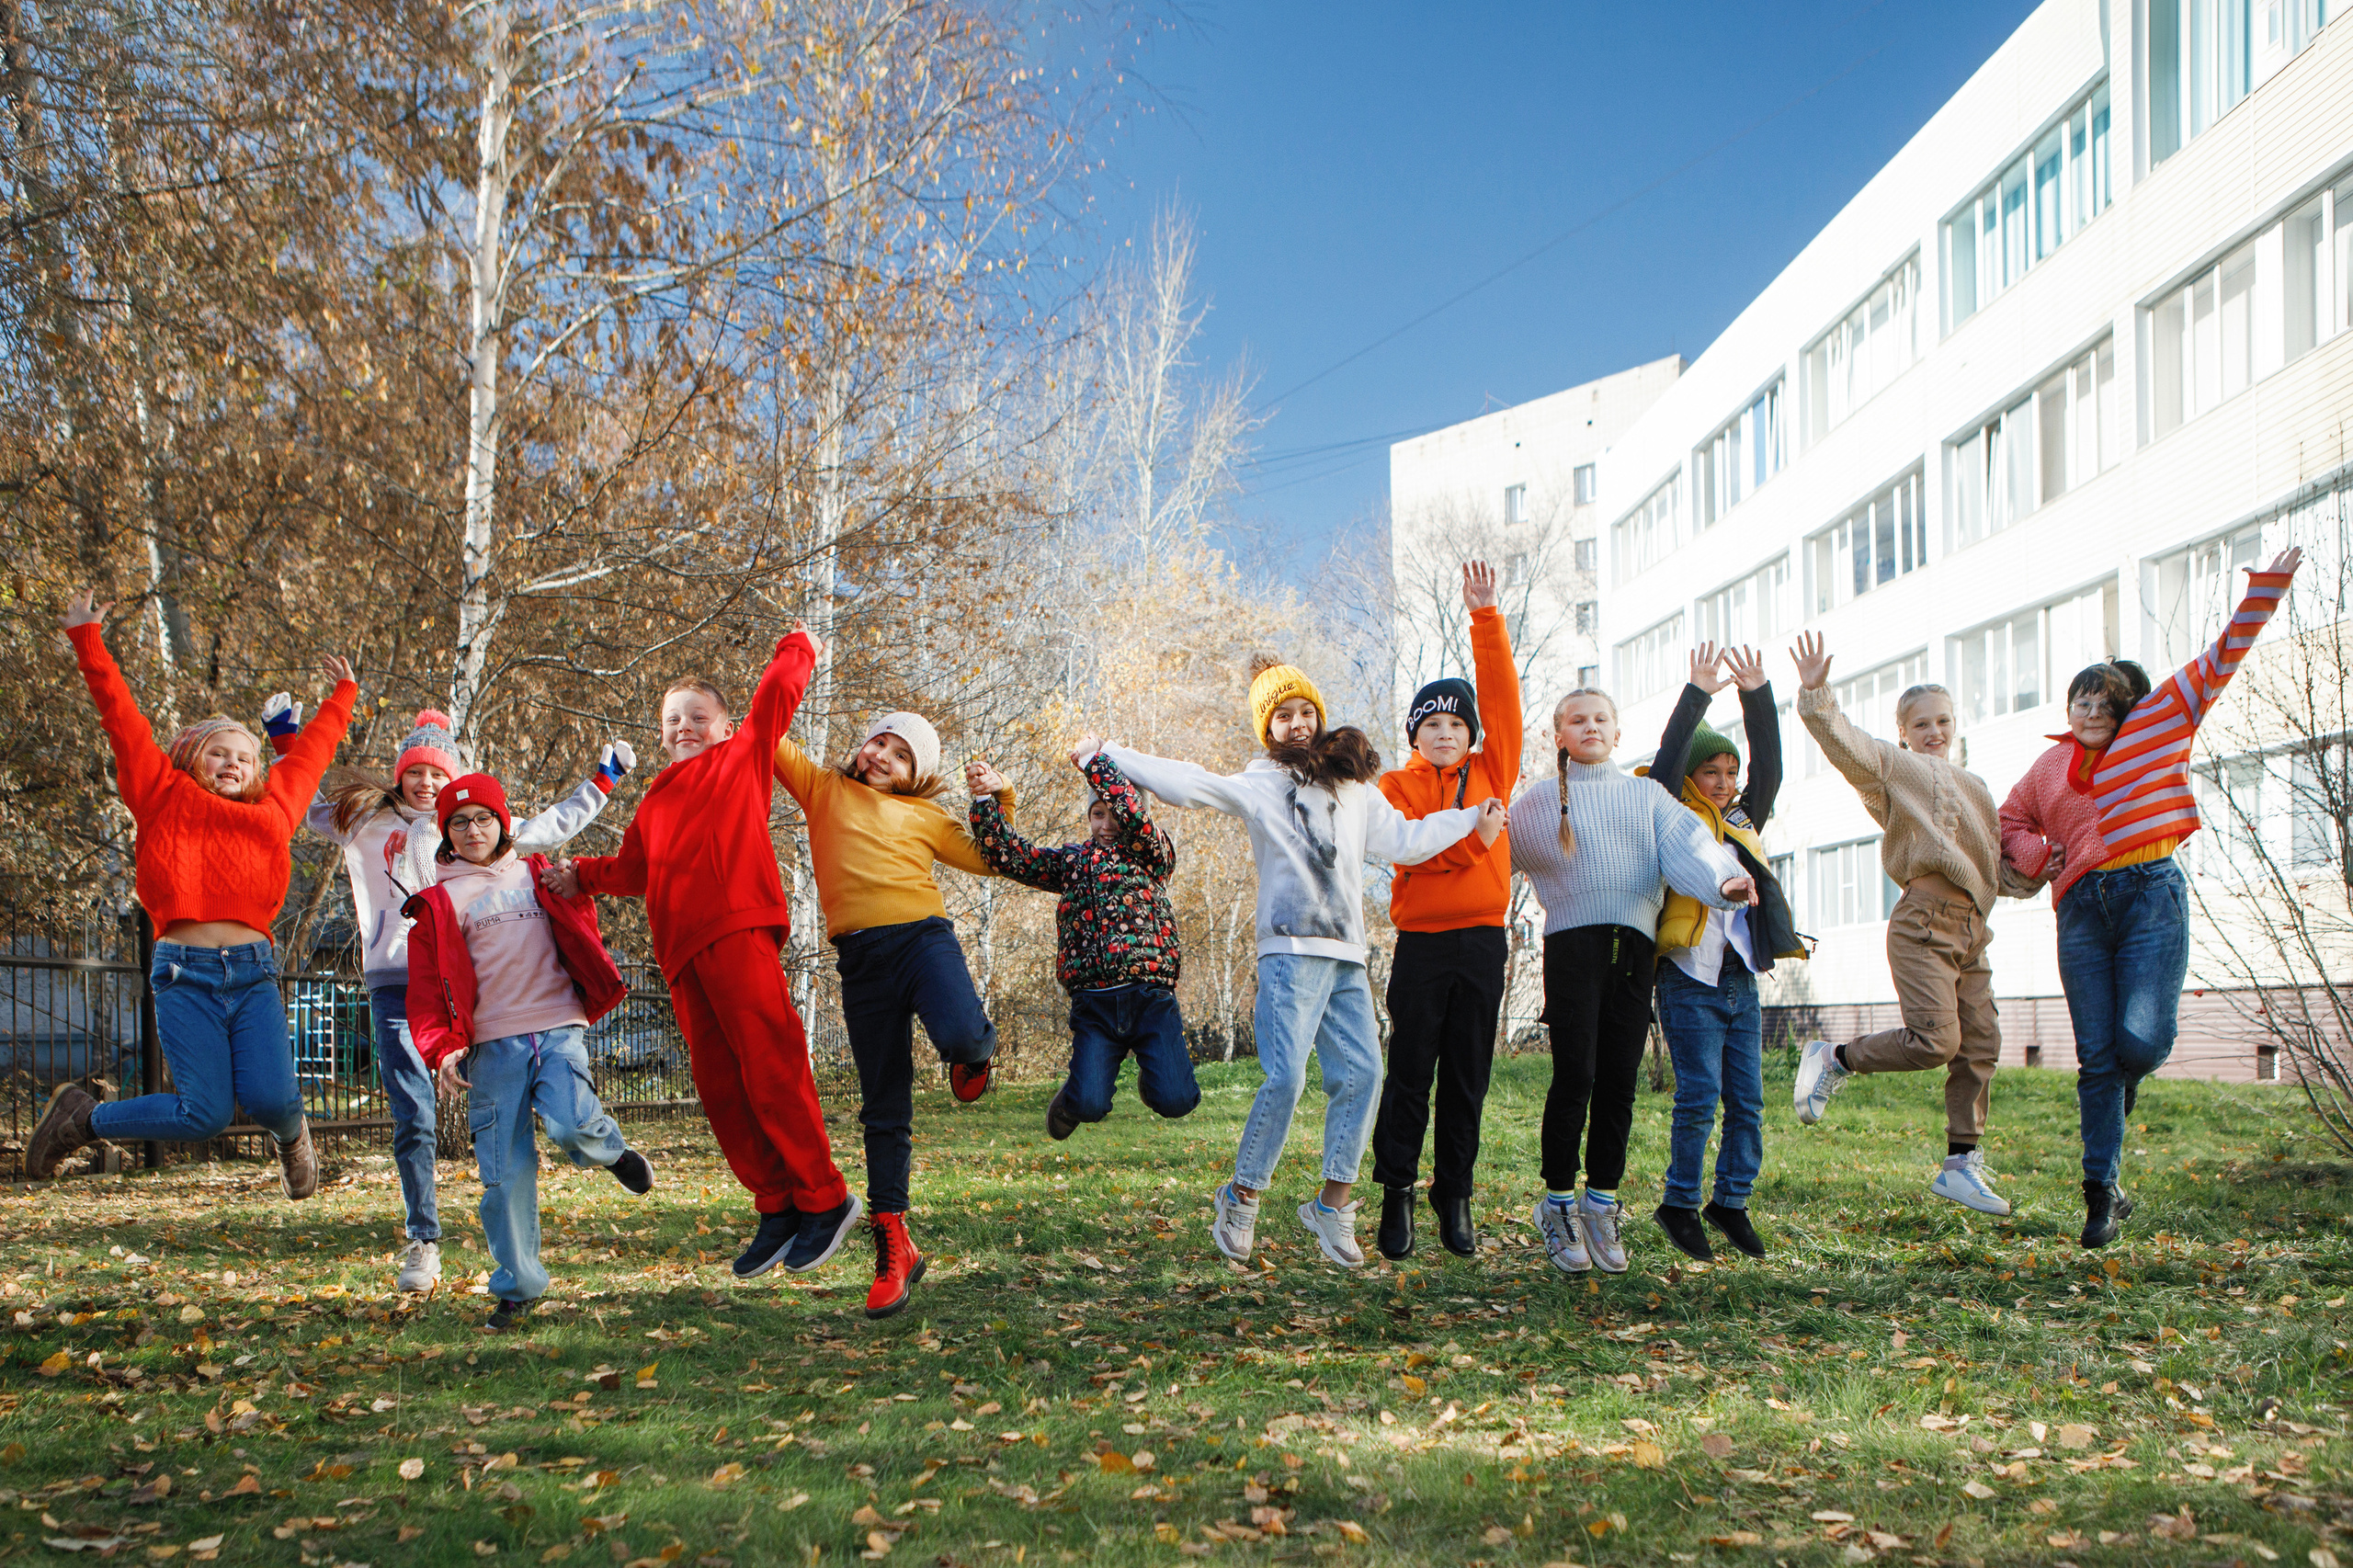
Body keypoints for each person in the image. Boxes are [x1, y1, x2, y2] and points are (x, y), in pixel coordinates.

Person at [1101, 658, 1504, 1270]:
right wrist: (1108, 753)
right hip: (1290, 951)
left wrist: (1473, 819)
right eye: (1282, 716)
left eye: (1306, 712)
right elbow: (1187, 782)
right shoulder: (1261, 783)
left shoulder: (1354, 788)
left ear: (1320, 718)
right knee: (1286, 1078)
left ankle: (1332, 1205)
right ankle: (1241, 1196)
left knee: (1365, 1076)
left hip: (1347, 957)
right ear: (1268, 728)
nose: (1296, 724)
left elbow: (1407, 839)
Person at [2001, 548, 2302, 1247]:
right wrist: (2038, 856)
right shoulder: (2048, 765)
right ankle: (2100, 1193)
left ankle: (2120, 1094)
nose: (2092, 708)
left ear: (2126, 708)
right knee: (2096, 1057)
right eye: (2082, 698)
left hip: (2150, 897)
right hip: (2080, 911)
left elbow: (2219, 659)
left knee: (2143, 1040)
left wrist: (2267, 590)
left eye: (2105, 700)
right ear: (2068, 706)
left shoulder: (2157, 730)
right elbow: (2011, 820)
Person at [543, 625, 858, 1286]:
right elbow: (633, 867)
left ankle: (824, 1197)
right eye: (671, 719)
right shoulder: (655, 800)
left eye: (696, 716)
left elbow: (776, 697)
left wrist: (798, 646)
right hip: (683, 957)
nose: (683, 725)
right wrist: (583, 877)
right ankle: (776, 1205)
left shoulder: (741, 757)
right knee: (720, 1089)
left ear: (724, 727)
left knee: (769, 1066)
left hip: (738, 930)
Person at [29, 591, 356, 1195]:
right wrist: (87, 641)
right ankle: (82, 1118)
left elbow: (312, 753)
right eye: (219, 753)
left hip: (253, 973)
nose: (233, 764)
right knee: (203, 1115)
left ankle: (292, 1135)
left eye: (244, 757)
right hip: (184, 974)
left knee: (275, 1099)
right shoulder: (160, 794)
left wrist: (342, 698)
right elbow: (122, 718)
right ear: (190, 757)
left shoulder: (273, 807)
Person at [294, 707, 630, 1294]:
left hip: (473, 991)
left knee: (533, 1123)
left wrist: (603, 781)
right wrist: (285, 744)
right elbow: (296, 801)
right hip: (397, 977)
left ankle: (571, 1176)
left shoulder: (481, 834)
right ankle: (425, 1240)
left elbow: (555, 824)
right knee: (415, 1115)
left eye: (436, 772)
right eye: (415, 771)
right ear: (399, 776)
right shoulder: (364, 823)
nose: (426, 783)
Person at [1509, 687, 1755, 1278]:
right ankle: (1559, 1204)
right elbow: (1491, 858)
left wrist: (1722, 881)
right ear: (1559, 735)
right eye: (1577, 720)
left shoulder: (1647, 797)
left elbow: (1690, 845)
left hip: (1634, 952)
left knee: (1620, 1081)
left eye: (1600, 719)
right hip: (1570, 951)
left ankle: (1602, 1204)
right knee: (1576, 1077)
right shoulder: (1537, 803)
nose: (1590, 727)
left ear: (1617, 734)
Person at [770, 705, 1005, 1319]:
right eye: (880, 742)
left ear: (914, 775)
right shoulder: (824, 788)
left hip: (923, 941)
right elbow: (766, 736)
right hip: (861, 962)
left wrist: (998, 796)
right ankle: (894, 1245)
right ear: (862, 742)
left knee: (960, 1035)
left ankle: (975, 1052)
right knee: (884, 1105)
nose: (883, 757)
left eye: (902, 756)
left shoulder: (926, 815)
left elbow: (990, 856)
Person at [404, 774, 652, 1331]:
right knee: (503, 1172)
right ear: (446, 832)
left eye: (484, 819)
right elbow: (425, 989)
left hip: (556, 1026)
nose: (473, 830)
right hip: (490, 1048)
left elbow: (583, 918)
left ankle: (613, 1153)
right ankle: (518, 1285)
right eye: (460, 822)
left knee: (572, 1127)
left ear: (503, 823)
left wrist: (581, 888)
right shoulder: (437, 902)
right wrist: (441, 1050)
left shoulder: (542, 874)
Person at [1789, 631, 2013, 1216]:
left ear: (1954, 726)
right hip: (1924, 923)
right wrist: (1818, 697)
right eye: (1921, 724)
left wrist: (2042, 867)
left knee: (1981, 1042)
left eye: (1942, 721)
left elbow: (1996, 864)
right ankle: (1834, 1058)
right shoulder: (1896, 769)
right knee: (1937, 1041)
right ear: (1904, 733)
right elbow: (1848, 746)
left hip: (1972, 928)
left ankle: (1962, 1163)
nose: (1933, 732)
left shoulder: (1978, 788)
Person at [1367, 560, 1524, 1262]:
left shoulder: (1495, 771)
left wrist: (1485, 617)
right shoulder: (1394, 786)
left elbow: (1503, 697)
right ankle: (1396, 1189)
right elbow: (1412, 857)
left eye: (1456, 722)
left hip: (1483, 943)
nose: (1444, 731)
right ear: (1414, 734)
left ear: (1472, 734)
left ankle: (1452, 1192)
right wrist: (1477, 837)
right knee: (1411, 1070)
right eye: (1430, 722)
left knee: (1468, 1072)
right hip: (1422, 945)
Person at [1639, 644, 1806, 1263]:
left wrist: (1757, 694)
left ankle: (1730, 1200)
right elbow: (1665, 761)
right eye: (1713, 771)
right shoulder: (1667, 809)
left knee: (1749, 1100)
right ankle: (1679, 1202)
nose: (1726, 782)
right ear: (1692, 776)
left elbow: (1773, 770)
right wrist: (1698, 694)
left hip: (1740, 978)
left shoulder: (1742, 818)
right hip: (1689, 978)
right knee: (1699, 1095)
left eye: (1730, 772)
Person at [965, 740, 1196, 1141]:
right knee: (1089, 1104)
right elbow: (1014, 857)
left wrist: (1094, 763)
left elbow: (1133, 816)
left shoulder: (1152, 853)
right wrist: (986, 799)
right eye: (1096, 814)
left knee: (1177, 1101)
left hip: (1150, 997)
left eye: (1113, 815)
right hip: (1095, 1002)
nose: (1106, 824)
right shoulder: (1073, 862)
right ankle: (1075, 1096)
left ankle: (1156, 1073)